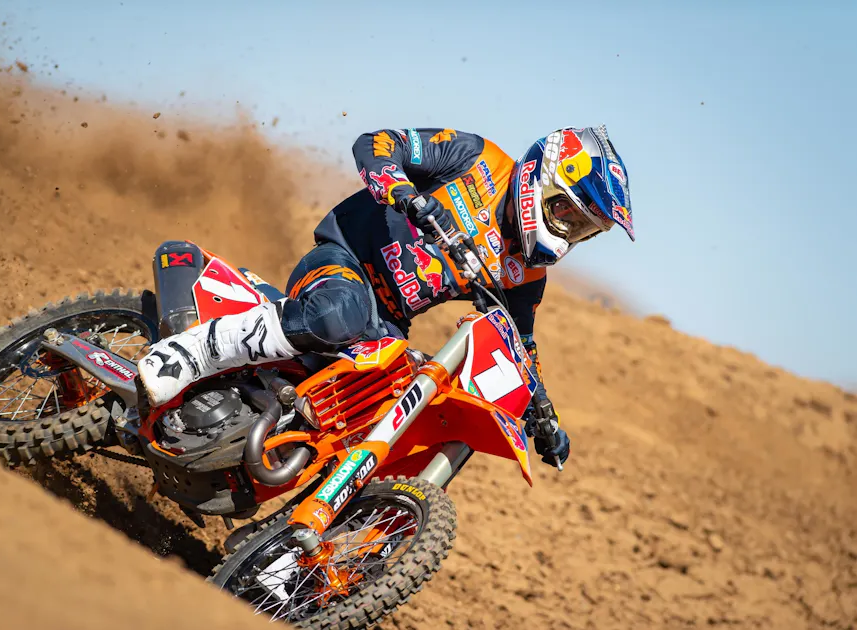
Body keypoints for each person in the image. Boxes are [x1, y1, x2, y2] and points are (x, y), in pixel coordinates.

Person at [137, 126, 635, 469]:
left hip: (387, 323)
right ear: (542, 179)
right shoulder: (478, 159)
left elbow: (519, 344)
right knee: (341, 314)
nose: (569, 233)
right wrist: (403, 193)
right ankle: (189, 353)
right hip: (342, 262)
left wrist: (542, 413)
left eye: (582, 229)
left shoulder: (525, 275)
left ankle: (291, 539)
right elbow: (376, 143)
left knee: (392, 407)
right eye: (568, 214)